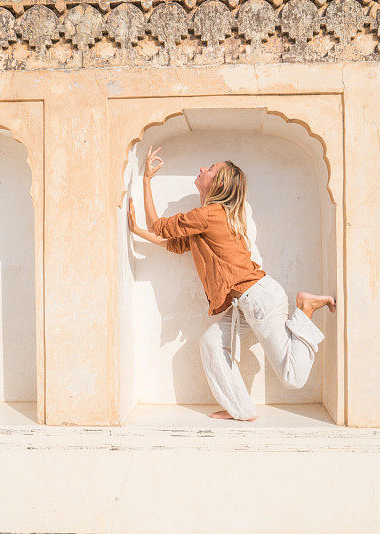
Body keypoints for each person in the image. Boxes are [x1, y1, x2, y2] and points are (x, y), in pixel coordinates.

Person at [127, 146, 336, 421]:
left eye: (210, 168)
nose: (202, 169)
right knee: (212, 343)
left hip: (258, 299)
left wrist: (146, 180)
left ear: (220, 182)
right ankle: (242, 410)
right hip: (243, 305)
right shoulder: (207, 220)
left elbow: (159, 226)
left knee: (292, 377)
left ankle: (305, 310)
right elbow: (174, 243)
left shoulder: (210, 214)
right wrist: (136, 230)